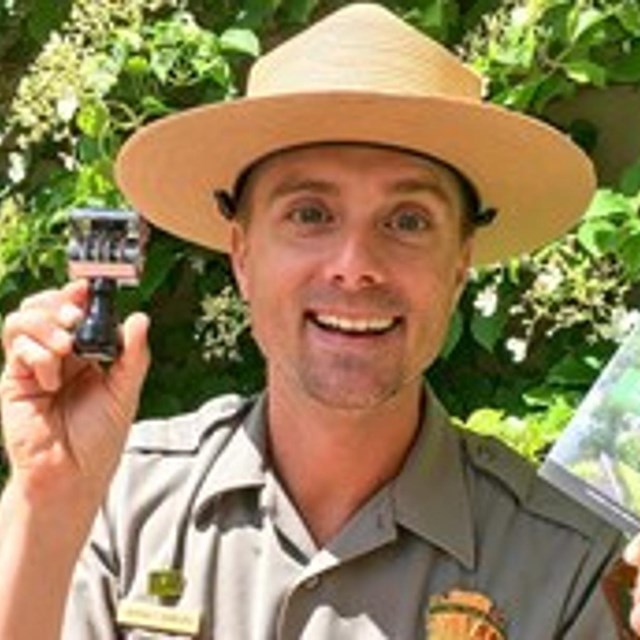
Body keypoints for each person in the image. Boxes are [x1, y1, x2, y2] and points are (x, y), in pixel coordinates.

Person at [0, 3, 635, 638]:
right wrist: (47, 502)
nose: (355, 266)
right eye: (309, 214)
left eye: (408, 220)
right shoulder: (120, 500)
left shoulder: (567, 567)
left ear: (460, 264)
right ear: (243, 254)